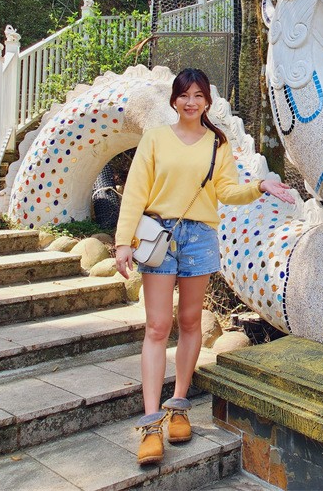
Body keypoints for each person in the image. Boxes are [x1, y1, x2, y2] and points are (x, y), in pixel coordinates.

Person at [114, 68, 295, 465]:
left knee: (193, 322)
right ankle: (150, 423)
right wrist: (122, 241)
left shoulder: (217, 142)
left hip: (200, 238)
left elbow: (226, 190)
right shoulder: (157, 139)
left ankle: (178, 405)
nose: (191, 101)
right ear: (174, 100)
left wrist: (259, 186)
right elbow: (136, 191)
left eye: (199, 95)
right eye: (184, 95)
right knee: (158, 326)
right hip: (158, 236)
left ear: (207, 102)